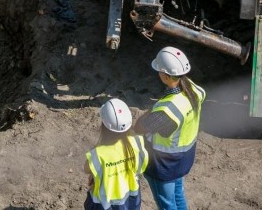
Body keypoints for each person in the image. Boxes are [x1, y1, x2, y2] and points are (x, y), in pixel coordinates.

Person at [133, 46, 206, 210]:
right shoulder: (194, 89)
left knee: (167, 205)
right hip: (184, 159)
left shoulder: (167, 110)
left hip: (164, 164)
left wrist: (154, 109)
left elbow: (139, 127)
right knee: (178, 195)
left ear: (165, 76)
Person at [84, 98, 149, 210]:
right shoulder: (137, 142)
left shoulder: (99, 153)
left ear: (104, 125)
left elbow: (86, 169)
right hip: (131, 197)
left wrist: (94, 175)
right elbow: (141, 166)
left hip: (104, 203)